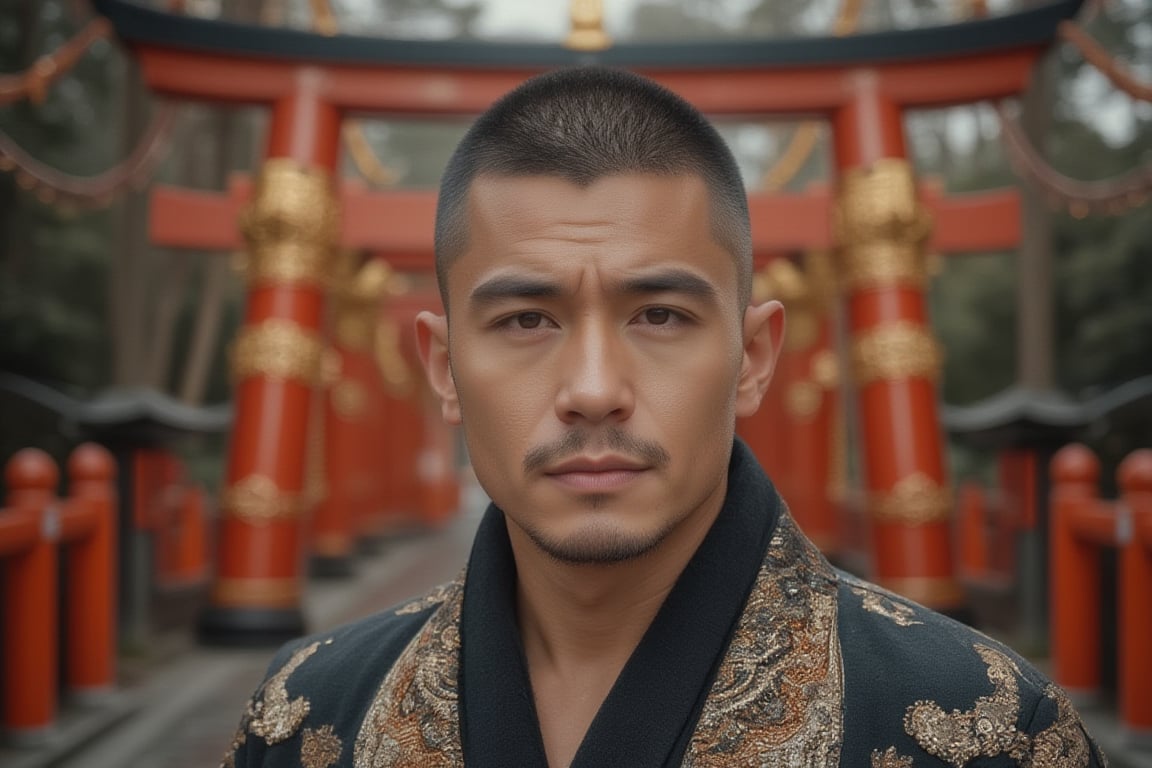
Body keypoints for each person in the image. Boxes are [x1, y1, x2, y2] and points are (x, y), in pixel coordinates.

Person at [222, 67, 1105, 768]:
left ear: (752, 357)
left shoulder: (984, 727)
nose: (595, 388)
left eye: (661, 316)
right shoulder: (306, 714)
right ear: (445, 368)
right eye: (527, 319)